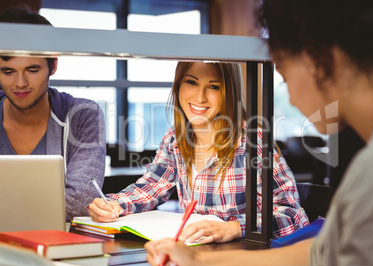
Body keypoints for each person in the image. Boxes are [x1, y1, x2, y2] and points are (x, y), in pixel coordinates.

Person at [144, 0, 373, 266]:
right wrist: (199, 260)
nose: (291, 98)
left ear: (317, 59)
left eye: (283, 74)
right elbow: (321, 254)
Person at [88, 61, 309, 244]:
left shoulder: (254, 142)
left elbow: (292, 215)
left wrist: (233, 228)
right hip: (197, 254)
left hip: (245, 257)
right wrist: (114, 204)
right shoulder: (175, 139)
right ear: (178, 85)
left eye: (214, 87)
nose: (200, 97)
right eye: (191, 82)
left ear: (228, 92)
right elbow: (151, 188)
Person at [0, 6, 106, 221]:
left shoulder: (82, 115)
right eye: (8, 72)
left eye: (32, 70)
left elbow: (81, 201)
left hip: (57, 245)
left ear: (53, 65)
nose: (20, 84)